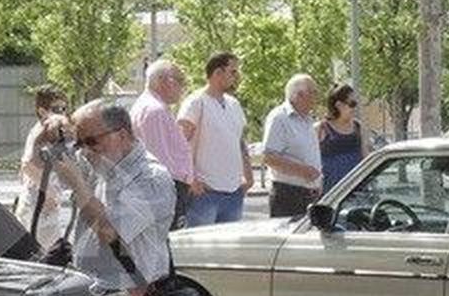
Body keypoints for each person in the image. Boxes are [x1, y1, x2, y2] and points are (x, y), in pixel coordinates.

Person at [40, 100, 175, 295]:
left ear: (122, 135)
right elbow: (57, 155)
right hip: (92, 285)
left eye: (92, 142)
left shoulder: (151, 178)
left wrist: (78, 184)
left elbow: (109, 233)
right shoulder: (104, 161)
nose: (84, 151)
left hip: (130, 293)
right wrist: (56, 127)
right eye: (80, 143)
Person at [177, 52, 252, 226]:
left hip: (234, 193)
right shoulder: (195, 102)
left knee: (228, 252)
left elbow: (240, 141)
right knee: (202, 251)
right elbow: (181, 143)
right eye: (232, 72)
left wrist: (249, 177)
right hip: (205, 194)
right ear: (217, 73)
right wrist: (191, 179)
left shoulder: (234, 104)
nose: (236, 77)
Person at [130, 59, 193, 227]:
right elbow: (161, 159)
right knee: (170, 245)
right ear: (164, 81)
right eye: (180, 82)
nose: (183, 88)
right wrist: (186, 179)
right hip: (166, 191)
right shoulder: (155, 110)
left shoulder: (151, 107)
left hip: (159, 190)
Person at [14, 86, 69, 250]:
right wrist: (50, 193)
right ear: (42, 111)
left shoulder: (48, 131)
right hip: (38, 203)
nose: (61, 113)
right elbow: (27, 165)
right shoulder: (43, 131)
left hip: (40, 201)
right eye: (56, 109)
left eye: (64, 108)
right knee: (46, 253)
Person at [262, 74, 323, 216]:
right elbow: (269, 157)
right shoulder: (279, 118)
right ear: (299, 95)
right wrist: (303, 170)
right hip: (288, 195)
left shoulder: (307, 120)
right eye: (313, 92)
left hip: (310, 195)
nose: (317, 97)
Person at [318, 82, 372, 193]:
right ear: (338, 105)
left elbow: (365, 157)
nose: (355, 108)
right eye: (352, 104)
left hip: (356, 191)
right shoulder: (321, 128)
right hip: (331, 194)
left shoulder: (358, 127)